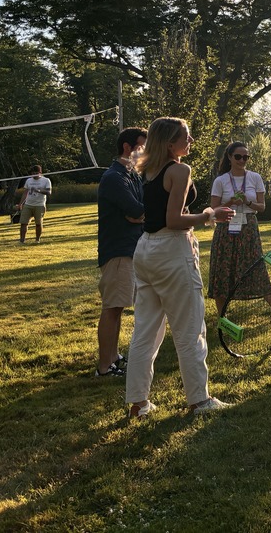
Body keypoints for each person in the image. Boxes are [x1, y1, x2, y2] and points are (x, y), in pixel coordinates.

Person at [125, 117, 235, 419]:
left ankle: (138, 403)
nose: (191, 141)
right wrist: (210, 215)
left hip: (145, 249)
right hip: (171, 250)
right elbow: (173, 219)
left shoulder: (148, 169)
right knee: (189, 328)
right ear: (170, 142)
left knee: (145, 331)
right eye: (186, 136)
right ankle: (200, 400)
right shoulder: (179, 169)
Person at [207, 141, 271, 321]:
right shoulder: (220, 180)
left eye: (245, 157)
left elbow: (262, 207)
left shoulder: (254, 177)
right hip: (226, 227)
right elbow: (213, 209)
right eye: (238, 156)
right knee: (223, 268)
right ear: (229, 157)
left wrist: (247, 202)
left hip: (249, 227)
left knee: (256, 266)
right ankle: (223, 319)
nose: (242, 160)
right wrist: (230, 203)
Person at [95, 127, 147, 377]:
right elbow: (136, 211)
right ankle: (104, 368)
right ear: (127, 148)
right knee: (113, 307)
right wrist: (138, 215)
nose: (145, 152)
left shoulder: (132, 175)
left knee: (119, 307)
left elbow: (142, 209)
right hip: (117, 250)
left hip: (131, 248)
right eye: (142, 146)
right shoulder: (114, 177)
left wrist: (139, 215)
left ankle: (113, 357)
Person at [17, 164, 52, 244]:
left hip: (39, 205)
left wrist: (39, 191)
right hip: (28, 204)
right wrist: (20, 204)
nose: (34, 174)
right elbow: (25, 193)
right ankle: (22, 241)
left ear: (40, 172)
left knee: (38, 223)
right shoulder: (29, 180)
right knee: (23, 223)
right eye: (32, 173)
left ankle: (37, 240)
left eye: (35, 172)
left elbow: (49, 192)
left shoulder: (46, 180)